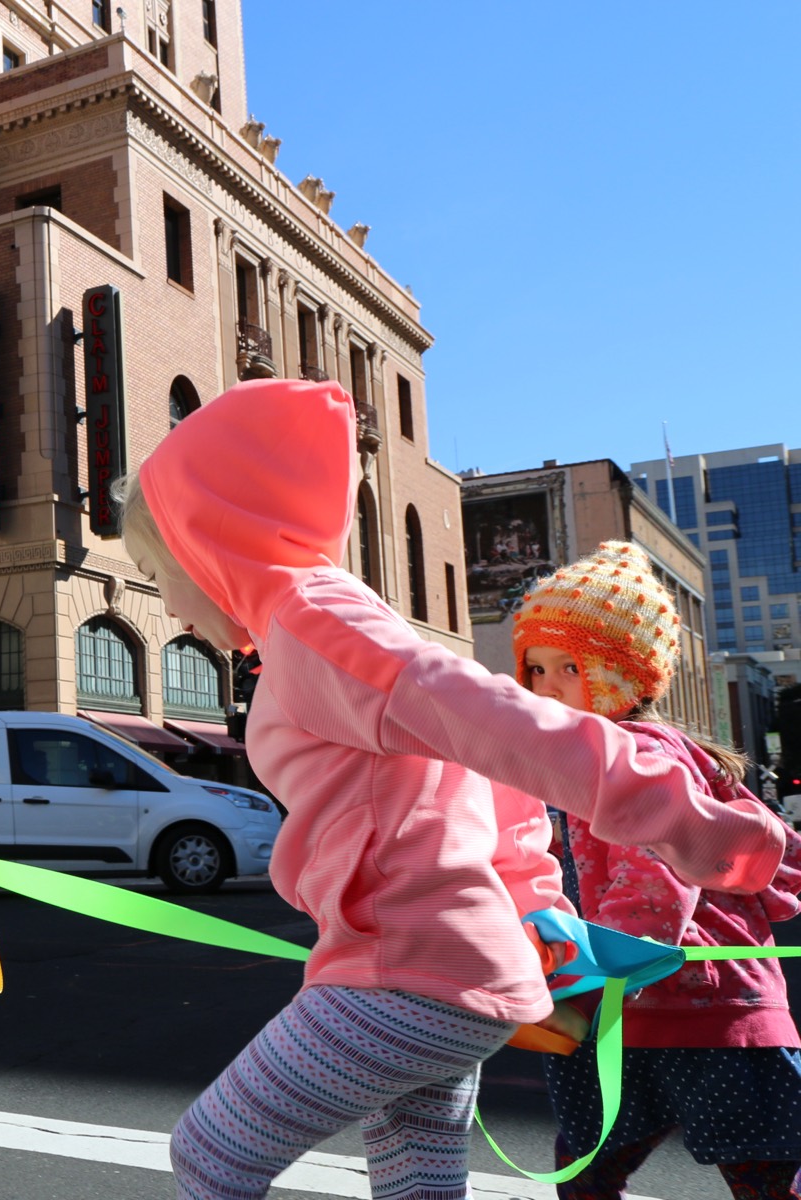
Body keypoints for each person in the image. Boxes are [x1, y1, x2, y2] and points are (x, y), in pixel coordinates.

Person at [115, 378, 789, 1200]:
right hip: (456, 974)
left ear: (203, 540)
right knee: (415, 1179)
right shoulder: (330, 619)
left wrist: (688, 823)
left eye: (158, 572)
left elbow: (505, 725)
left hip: (400, 969)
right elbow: (482, 763)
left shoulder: (310, 623)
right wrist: (537, 907)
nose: (170, 607)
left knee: (210, 1155)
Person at [513, 541, 801, 1200]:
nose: (546, 686)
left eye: (569, 666)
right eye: (535, 669)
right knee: (762, 1177)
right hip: (688, 1006)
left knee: (592, 1172)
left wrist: (578, 991)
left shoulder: (632, 758)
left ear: (623, 675)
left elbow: (652, 890)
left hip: (674, 1005)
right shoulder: (587, 757)